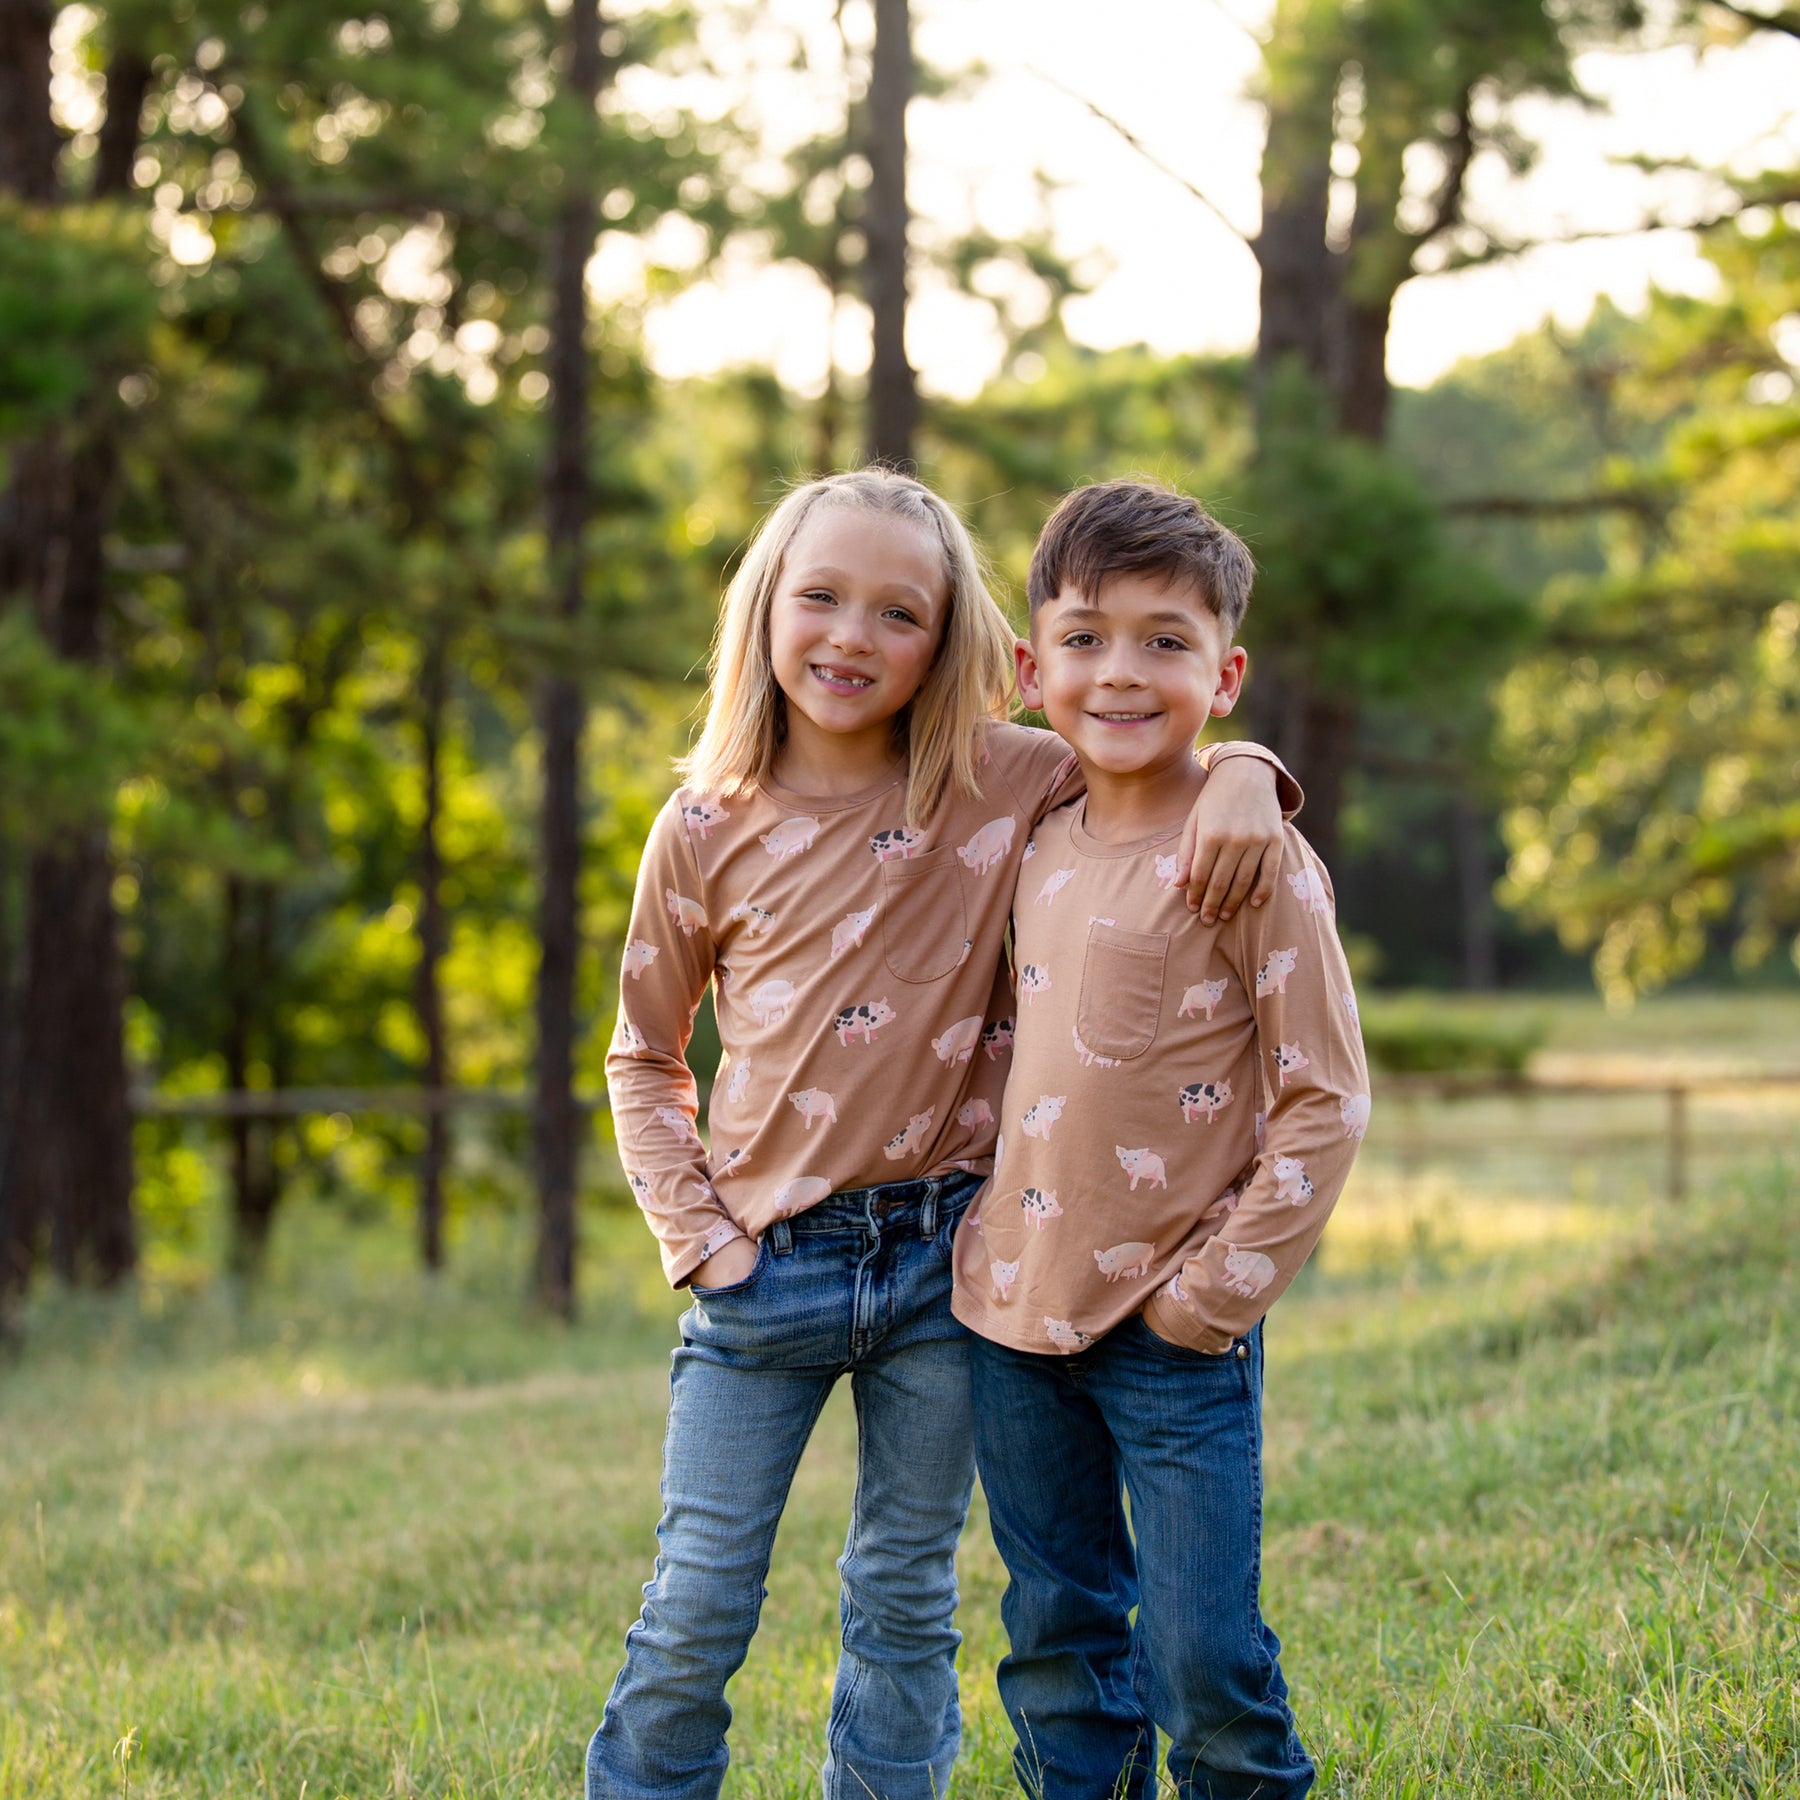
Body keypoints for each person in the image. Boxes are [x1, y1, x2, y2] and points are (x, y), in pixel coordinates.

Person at [588, 467, 1300, 1800]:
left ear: (951, 643)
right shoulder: (700, 826)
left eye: (898, 613)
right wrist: (699, 1239)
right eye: (821, 599)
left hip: (941, 1269)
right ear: (764, 612)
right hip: (763, 1270)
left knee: (905, 1597)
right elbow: (642, 1054)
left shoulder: (1003, 780)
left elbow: (1160, 747)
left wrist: (1253, 772)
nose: (853, 638)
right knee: (693, 1604)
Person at [951, 479, 1370, 1800]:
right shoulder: (1030, 843)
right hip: (1012, 1318)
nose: (1119, 672)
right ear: (1030, 667)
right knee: (1058, 1642)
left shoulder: (1253, 857)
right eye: (1082, 638)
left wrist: (1211, 1299)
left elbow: (1325, 1098)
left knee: (1202, 1657)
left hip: (1174, 1332)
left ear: (1226, 673)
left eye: (1164, 642)